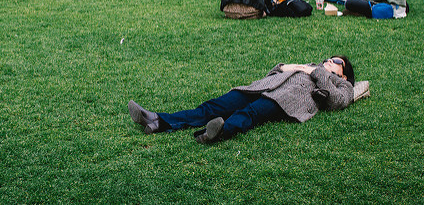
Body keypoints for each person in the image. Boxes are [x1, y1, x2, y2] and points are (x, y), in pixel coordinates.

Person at [128, 56, 354, 143]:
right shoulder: (308, 65)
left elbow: (337, 101)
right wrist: (297, 66)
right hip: (260, 87)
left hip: (288, 99)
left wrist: (318, 72)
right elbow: (276, 69)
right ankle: (158, 120)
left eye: (334, 60)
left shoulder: (342, 84)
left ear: (343, 73)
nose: (327, 60)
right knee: (213, 106)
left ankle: (216, 133)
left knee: (252, 114)